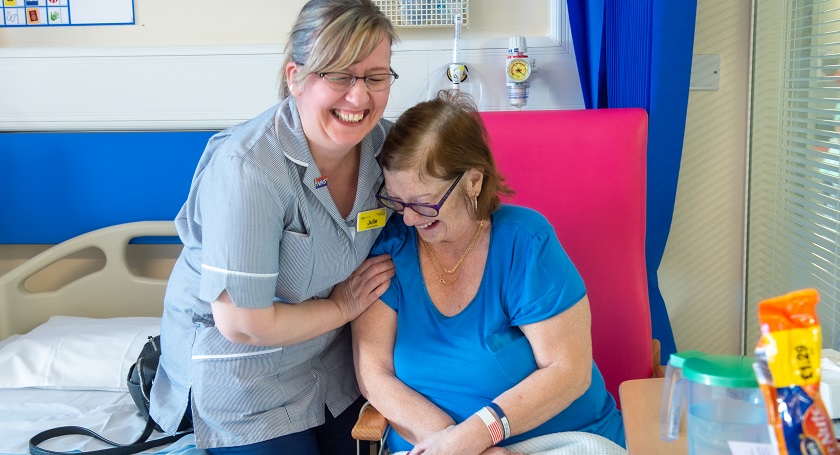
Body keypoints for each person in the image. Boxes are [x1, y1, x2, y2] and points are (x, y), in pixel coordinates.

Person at [148, 0, 398, 452]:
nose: (359, 98)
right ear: (296, 77)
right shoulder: (249, 169)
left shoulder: (385, 149)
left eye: (375, 77)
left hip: (333, 365)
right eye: (338, 74)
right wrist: (343, 308)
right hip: (243, 373)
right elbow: (242, 324)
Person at [352, 90, 626, 455]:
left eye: (424, 203)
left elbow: (568, 371)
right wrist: (459, 444)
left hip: (558, 440)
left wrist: (480, 434)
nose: (409, 219)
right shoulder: (391, 248)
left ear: (474, 181)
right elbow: (375, 375)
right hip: (432, 444)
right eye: (397, 201)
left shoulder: (524, 242)